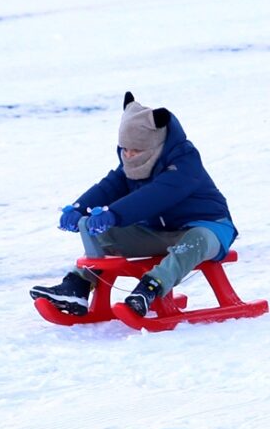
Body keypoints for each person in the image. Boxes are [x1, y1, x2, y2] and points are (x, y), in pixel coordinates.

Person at [30, 91, 238, 317]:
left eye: (136, 150)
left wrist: (115, 213)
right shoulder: (132, 164)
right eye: (125, 149)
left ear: (156, 145)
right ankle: (76, 287)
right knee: (103, 234)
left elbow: (156, 195)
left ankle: (149, 289)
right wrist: (80, 208)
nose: (128, 155)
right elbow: (110, 186)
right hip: (158, 233)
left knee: (195, 240)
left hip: (211, 228)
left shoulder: (185, 162)